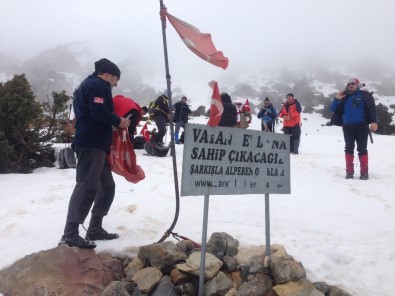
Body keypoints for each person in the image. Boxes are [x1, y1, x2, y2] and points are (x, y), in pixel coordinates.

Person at [59, 58, 130, 249]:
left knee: (107, 186)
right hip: (91, 142)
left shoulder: (90, 85)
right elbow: (97, 112)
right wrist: (118, 121)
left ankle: (95, 228)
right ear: (107, 75)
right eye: (116, 79)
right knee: (87, 185)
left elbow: (93, 113)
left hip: (98, 143)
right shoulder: (98, 85)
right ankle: (70, 233)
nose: (116, 83)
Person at [330, 78, 378, 180]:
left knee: (362, 149)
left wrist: (374, 121)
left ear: (357, 85)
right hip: (347, 127)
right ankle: (349, 172)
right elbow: (333, 109)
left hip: (361, 126)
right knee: (348, 148)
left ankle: (364, 173)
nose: (350, 85)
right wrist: (337, 98)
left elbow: (372, 109)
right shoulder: (344, 97)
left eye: (353, 83)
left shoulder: (364, 95)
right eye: (349, 84)